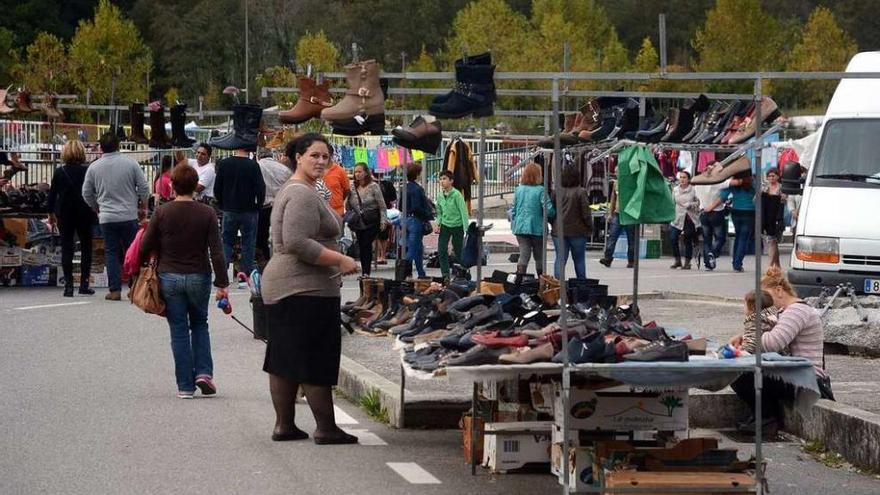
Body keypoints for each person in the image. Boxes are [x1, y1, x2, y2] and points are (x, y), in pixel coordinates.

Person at [261, 133, 360, 444]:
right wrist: (340, 259)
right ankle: (326, 428)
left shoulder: (299, 189)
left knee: (285, 357)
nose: (320, 161)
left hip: (289, 286)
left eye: (325, 156)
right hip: (303, 287)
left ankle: (285, 425)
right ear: (298, 157)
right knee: (315, 356)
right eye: (314, 155)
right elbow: (297, 242)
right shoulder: (301, 194)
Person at [139, 164, 229, 399]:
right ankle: (203, 373)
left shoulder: (162, 212)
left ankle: (184, 386)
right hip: (199, 275)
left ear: (172, 185)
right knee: (200, 324)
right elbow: (217, 251)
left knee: (178, 329)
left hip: (169, 276)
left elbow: (146, 244)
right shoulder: (207, 213)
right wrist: (222, 283)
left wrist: (138, 268)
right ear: (195, 186)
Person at [728, 267, 833, 435]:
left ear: (779, 291)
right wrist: (745, 338)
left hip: (808, 379)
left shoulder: (797, 311)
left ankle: (766, 419)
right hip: (795, 375)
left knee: (742, 374)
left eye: (766, 298)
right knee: (738, 370)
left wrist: (750, 337)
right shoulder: (785, 312)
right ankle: (760, 416)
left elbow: (773, 343)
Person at [82, 132, 149, 301]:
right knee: (132, 251)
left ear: (101, 147)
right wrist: (143, 205)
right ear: (118, 145)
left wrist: (96, 207)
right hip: (128, 215)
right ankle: (135, 286)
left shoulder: (94, 167)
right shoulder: (130, 163)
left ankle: (115, 290)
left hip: (107, 217)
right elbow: (143, 187)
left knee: (111, 252)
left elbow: (86, 192)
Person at [47, 140, 97, 297]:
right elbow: (93, 191)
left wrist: (51, 214)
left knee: (67, 248)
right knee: (86, 248)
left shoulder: (59, 171)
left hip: (65, 213)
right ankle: (84, 284)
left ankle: (68, 285)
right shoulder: (88, 170)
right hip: (84, 211)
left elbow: (52, 195)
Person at [213, 146, 265, 284]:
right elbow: (260, 188)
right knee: (248, 242)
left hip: (229, 209)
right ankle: (244, 274)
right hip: (249, 209)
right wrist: (258, 205)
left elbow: (217, 188)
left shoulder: (224, 164)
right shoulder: (253, 165)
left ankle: (222, 275)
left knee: (227, 241)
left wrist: (222, 204)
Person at [511, 162, 553, 280]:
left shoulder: (518, 190)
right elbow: (548, 209)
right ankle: (541, 282)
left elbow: (513, 209)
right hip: (537, 228)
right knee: (539, 257)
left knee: (524, 255)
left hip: (520, 228)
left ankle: (519, 281)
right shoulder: (540, 190)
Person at [345, 162, 388, 276]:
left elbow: (382, 205)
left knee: (366, 244)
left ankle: (366, 271)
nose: (357, 174)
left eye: (360, 171)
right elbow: (348, 204)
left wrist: (383, 221)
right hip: (359, 221)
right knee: (362, 245)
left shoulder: (374, 186)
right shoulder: (352, 187)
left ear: (366, 173)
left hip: (372, 220)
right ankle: (365, 270)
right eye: (355, 172)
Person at [550, 165, 591, 280]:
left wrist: (553, 223)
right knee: (579, 260)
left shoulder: (556, 192)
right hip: (578, 231)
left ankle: (558, 286)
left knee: (560, 259)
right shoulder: (581, 192)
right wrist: (589, 227)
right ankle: (582, 286)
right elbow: (586, 213)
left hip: (558, 231)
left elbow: (551, 211)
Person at [708, 174, 755, 272]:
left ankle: (736, 262)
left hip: (736, 211)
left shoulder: (734, 183)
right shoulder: (753, 183)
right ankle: (737, 264)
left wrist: (710, 208)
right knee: (743, 239)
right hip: (749, 212)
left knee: (738, 236)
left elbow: (722, 197)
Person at [256, 151, 294, 266]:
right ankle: (282, 258)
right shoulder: (283, 169)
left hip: (262, 206)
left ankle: (265, 259)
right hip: (280, 205)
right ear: (272, 156)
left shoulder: (256, 166)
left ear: (259, 156)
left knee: (262, 234)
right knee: (280, 233)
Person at [434, 170, 469, 280]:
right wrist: (437, 223)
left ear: (451, 181)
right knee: (441, 250)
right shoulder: (440, 196)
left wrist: (466, 229)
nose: (442, 181)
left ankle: (463, 272)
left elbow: (464, 212)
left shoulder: (457, 195)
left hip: (457, 226)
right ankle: (445, 275)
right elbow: (439, 212)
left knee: (458, 251)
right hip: (445, 225)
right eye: (440, 179)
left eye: (444, 179)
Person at [403, 162, 432, 278]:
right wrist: (428, 215)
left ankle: (421, 273)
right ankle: (405, 271)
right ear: (417, 174)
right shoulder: (417, 189)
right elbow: (417, 207)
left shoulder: (404, 187)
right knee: (413, 248)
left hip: (406, 219)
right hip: (416, 220)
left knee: (418, 248)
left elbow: (401, 205)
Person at [598, 178, 635, 268]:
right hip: (617, 213)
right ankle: (608, 258)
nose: (617, 174)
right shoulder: (616, 184)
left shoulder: (632, 182)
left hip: (629, 215)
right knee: (612, 236)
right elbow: (613, 199)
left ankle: (631, 260)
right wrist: (610, 213)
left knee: (631, 239)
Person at [695, 179, 730, 271]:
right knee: (720, 238)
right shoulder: (718, 181)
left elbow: (696, 196)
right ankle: (713, 253)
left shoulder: (699, 183)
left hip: (703, 212)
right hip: (716, 212)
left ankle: (708, 264)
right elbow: (734, 182)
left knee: (707, 240)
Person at [669, 170, 700, 270]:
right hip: (677, 217)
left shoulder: (693, 190)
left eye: (684, 177)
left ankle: (687, 262)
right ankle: (677, 260)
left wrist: (691, 204)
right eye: (681, 177)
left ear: (688, 179)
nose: (682, 179)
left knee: (687, 239)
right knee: (673, 238)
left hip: (689, 217)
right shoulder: (675, 189)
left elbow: (698, 202)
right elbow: (672, 202)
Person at [740, 289, 780, 354]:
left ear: (753, 308)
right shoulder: (774, 316)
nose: (743, 307)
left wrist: (739, 351)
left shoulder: (754, 321)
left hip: (763, 356)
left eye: (745, 304)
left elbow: (750, 346)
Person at [762, 168, 786, 268]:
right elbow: (755, 201)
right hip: (766, 216)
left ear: (778, 176)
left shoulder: (781, 188)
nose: (771, 178)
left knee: (772, 241)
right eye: (769, 176)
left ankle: (770, 266)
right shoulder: (764, 188)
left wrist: (783, 198)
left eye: (773, 176)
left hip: (777, 217)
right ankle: (777, 266)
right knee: (773, 242)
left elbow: (785, 202)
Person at [375, 173, 397, 266]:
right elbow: (393, 199)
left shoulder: (371, 184)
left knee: (379, 235)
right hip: (386, 212)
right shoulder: (388, 184)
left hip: (377, 212)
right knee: (383, 235)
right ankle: (382, 255)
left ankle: (380, 255)